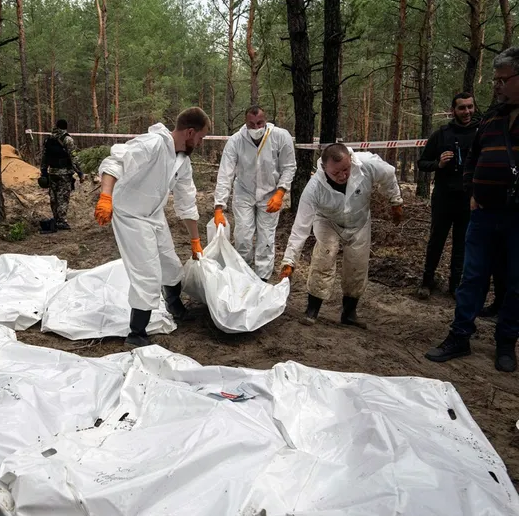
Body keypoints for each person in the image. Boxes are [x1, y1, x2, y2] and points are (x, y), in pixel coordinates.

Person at [425, 47, 519, 373]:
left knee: (515, 281)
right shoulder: (491, 118)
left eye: (503, 80)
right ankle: (460, 335)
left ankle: (506, 343)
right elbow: (475, 158)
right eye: (495, 80)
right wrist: (472, 191)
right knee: (472, 276)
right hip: (482, 213)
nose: (497, 86)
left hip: (516, 218)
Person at [94, 107, 209, 347]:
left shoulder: (181, 160)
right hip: (130, 214)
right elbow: (115, 161)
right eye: (200, 137)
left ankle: (175, 307)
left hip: (153, 213)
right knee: (148, 274)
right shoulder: (153, 144)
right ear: (190, 132)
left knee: (170, 263)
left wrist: (195, 240)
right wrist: (106, 196)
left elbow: (186, 200)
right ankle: (137, 334)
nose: (200, 143)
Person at [278, 143, 403, 328]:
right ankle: (312, 309)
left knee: (357, 266)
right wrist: (289, 262)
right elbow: (300, 228)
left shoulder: (367, 164)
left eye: (346, 169)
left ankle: (349, 313)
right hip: (327, 222)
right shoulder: (314, 188)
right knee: (324, 257)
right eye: (336, 173)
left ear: (350, 160)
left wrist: (395, 201)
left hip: (359, 222)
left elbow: (388, 174)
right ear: (324, 168)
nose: (343, 175)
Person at [213, 106, 296, 279]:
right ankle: (243, 276)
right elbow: (225, 172)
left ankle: (262, 280)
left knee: (266, 239)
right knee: (243, 235)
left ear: (265, 120)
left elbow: (289, 166)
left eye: (260, 123)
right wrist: (219, 206)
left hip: (270, 193)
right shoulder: (236, 141)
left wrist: (281, 192)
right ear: (245, 122)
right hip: (244, 192)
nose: (257, 128)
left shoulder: (280, 136)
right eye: (252, 124)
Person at [416, 92, 478, 299]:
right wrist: (439, 164)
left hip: (468, 198)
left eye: (470, 107)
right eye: (462, 108)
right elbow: (422, 163)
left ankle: (455, 286)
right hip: (443, 197)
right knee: (437, 240)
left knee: (462, 243)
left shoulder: (480, 132)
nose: (467, 111)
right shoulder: (441, 134)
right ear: (453, 111)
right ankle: (426, 282)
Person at [40, 119, 84, 230]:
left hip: (52, 173)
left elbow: (44, 158)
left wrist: (44, 172)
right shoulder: (67, 139)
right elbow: (74, 157)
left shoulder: (49, 139)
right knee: (63, 197)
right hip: (64, 173)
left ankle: (56, 218)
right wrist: (80, 173)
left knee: (53, 197)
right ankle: (61, 221)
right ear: (65, 127)